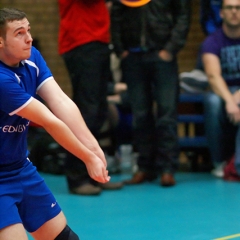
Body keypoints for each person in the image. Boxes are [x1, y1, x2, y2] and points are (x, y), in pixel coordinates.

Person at [0, 7, 113, 240]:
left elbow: (61, 101)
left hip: (19, 167)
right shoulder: (2, 80)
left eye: (28, 30)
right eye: (19, 33)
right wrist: (87, 157)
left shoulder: (31, 58)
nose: (29, 38)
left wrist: (93, 145)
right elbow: (50, 121)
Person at [110, 0, 191, 186]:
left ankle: (167, 168)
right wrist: (120, 49)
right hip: (133, 57)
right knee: (140, 114)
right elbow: (116, 14)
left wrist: (171, 49)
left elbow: (183, 15)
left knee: (167, 113)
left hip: (162, 55)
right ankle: (145, 167)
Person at [57, 0, 123, 195]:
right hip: (81, 42)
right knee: (86, 112)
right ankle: (77, 177)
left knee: (99, 112)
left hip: (99, 41)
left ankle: (96, 173)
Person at [202, 0, 240, 180]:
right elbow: (213, 76)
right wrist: (231, 101)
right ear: (221, 13)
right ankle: (219, 163)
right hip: (223, 89)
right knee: (212, 101)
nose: (234, 11)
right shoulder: (212, 41)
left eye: (238, 8)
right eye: (229, 8)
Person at [179, 0, 222, 93]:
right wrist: (216, 36)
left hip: (235, 35)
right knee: (213, 100)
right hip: (216, 33)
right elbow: (206, 18)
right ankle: (201, 73)